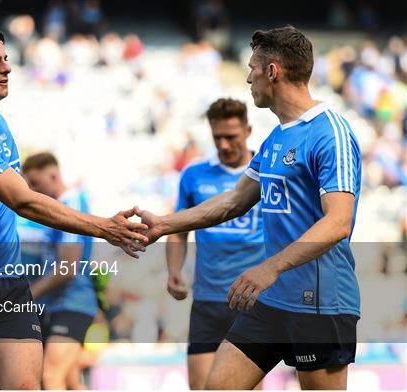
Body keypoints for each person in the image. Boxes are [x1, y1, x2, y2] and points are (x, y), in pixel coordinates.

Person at [0, 21, 147, 390]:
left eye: (5, 59)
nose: (7, 68)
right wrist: (106, 228)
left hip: (7, 284)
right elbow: (23, 200)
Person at [138, 26, 361, 390]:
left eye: (252, 68)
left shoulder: (329, 131)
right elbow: (232, 201)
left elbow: (338, 221)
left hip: (319, 302)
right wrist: (165, 224)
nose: (247, 77)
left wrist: (269, 268)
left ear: (272, 71)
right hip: (272, 300)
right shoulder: (276, 137)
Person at [166, 98, 265, 389]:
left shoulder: (268, 173)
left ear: (247, 130)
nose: (223, 144)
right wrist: (175, 270)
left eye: (231, 137)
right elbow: (178, 228)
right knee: (200, 386)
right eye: (217, 137)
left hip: (252, 300)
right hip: (207, 300)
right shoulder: (194, 175)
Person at [20, 152, 96, 390]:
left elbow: (68, 268)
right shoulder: (53, 209)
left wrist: (29, 295)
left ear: (53, 174)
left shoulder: (71, 204)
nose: (32, 190)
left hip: (72, 303)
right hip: (59, 304)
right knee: (71, 382)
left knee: (51, 376)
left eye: (35, 183)